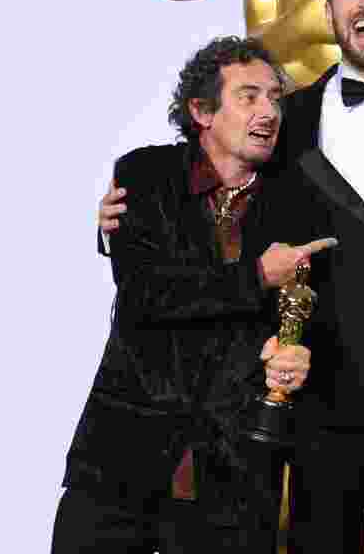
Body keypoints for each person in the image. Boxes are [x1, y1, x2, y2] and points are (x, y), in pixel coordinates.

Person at [100, 0, 364, 553]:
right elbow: (204, 192)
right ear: (328, 10)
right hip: (320, 388)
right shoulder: (284, 119)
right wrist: (115, 224)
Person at [54, 36, 335, 554]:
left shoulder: (302, 201)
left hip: (234, 473)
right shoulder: (144, 175)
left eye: (275, 98)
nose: (269, 111)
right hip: (121, 459)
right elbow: (146, 297)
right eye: (249, 96)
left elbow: (309, 315)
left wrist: (293, 351)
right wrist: (257, 276)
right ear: (202, 111)